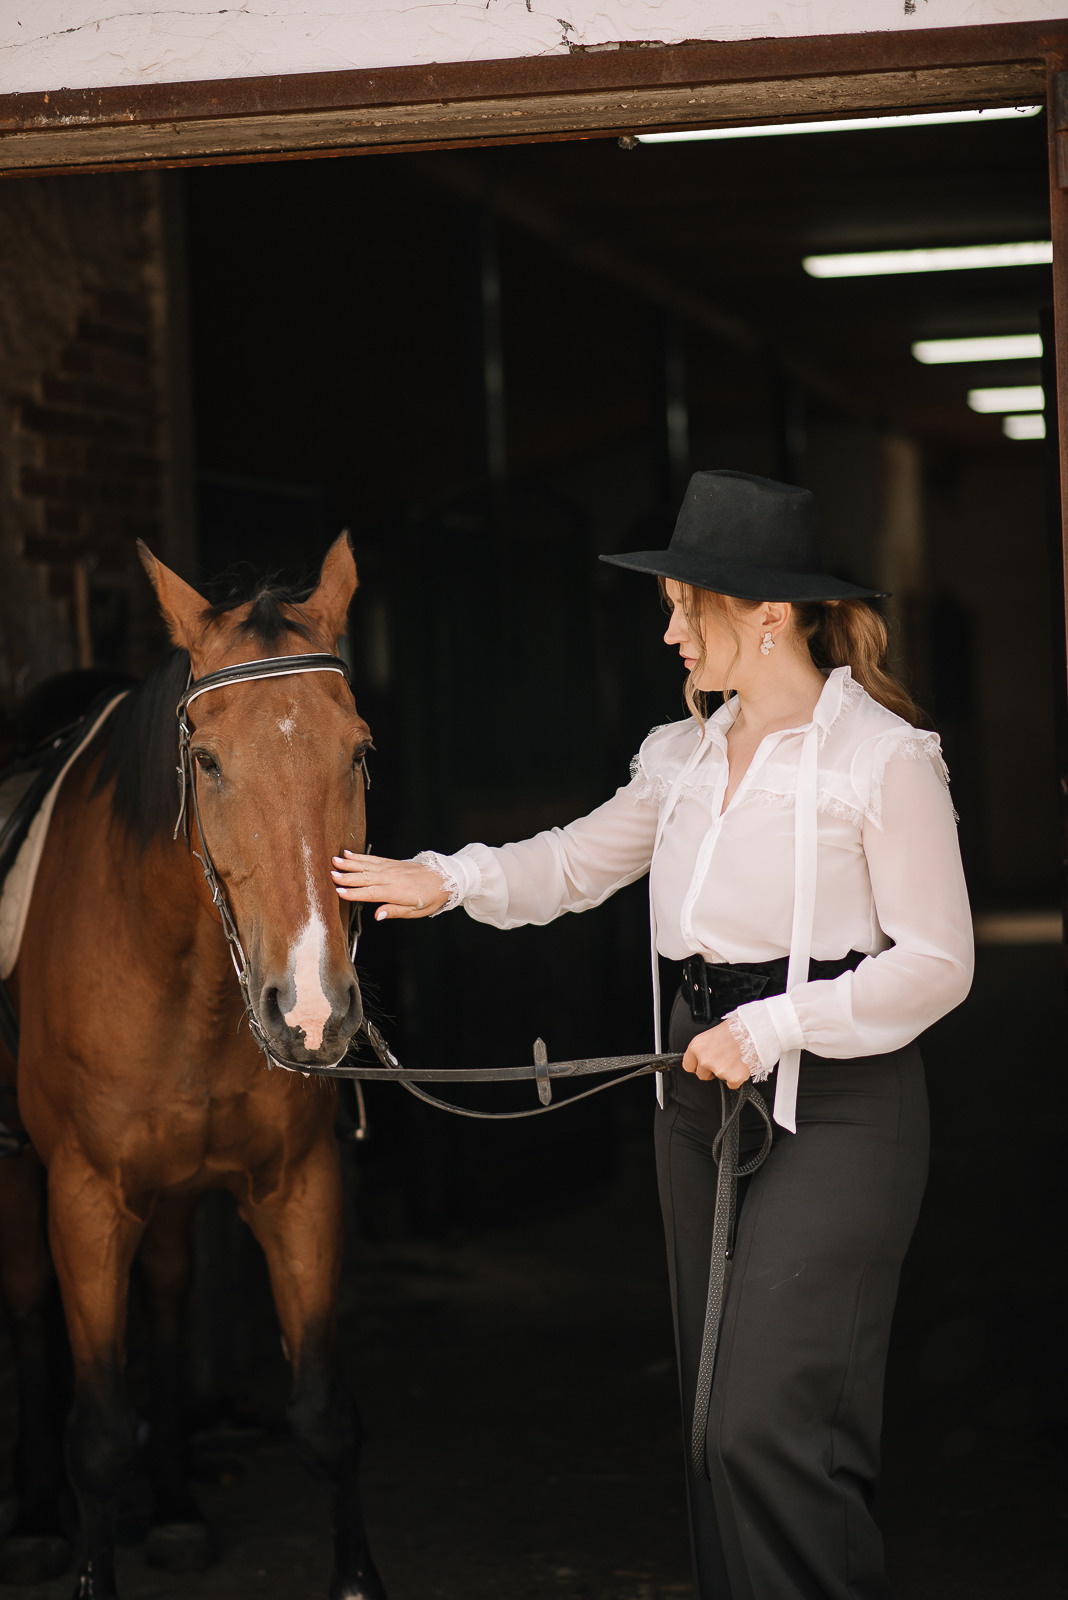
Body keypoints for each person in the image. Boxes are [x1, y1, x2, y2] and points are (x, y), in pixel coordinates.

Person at [331, 470, 974, 1600]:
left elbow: (938, 962)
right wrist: (444, 879)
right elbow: (576, 861)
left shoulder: (884, 758)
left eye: (688, 607)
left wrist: (772, 1024)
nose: (670, 631)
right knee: (709, 1420)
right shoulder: (677, 757)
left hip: (839, 1102)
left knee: (763, 1426)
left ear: (765, 611)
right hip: (697, 1097)